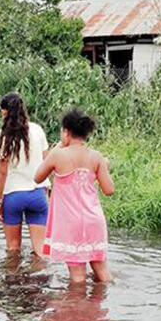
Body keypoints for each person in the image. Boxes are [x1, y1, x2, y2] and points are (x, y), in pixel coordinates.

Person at [34, 109, 114, 284]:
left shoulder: (57, 155)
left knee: (77, 278)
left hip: (71, 225)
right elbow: (109, 190)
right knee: (103, 273)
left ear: (66, 131)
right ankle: (102, 308)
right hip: (94, 221)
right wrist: (105, 166)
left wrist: (58, 146)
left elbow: (38, 177)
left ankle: (76, 310)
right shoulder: (97, 157)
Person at [0, 93, 51, 256]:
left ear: (4, 112)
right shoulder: (38, 130)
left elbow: (2, 172)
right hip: (38, 194)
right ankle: (40, 279)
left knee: (13, 249)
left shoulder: (0, 137)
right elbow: (47, 163)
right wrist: (48, 188)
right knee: (40, 251)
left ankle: (13, 280)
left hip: (13, 196)